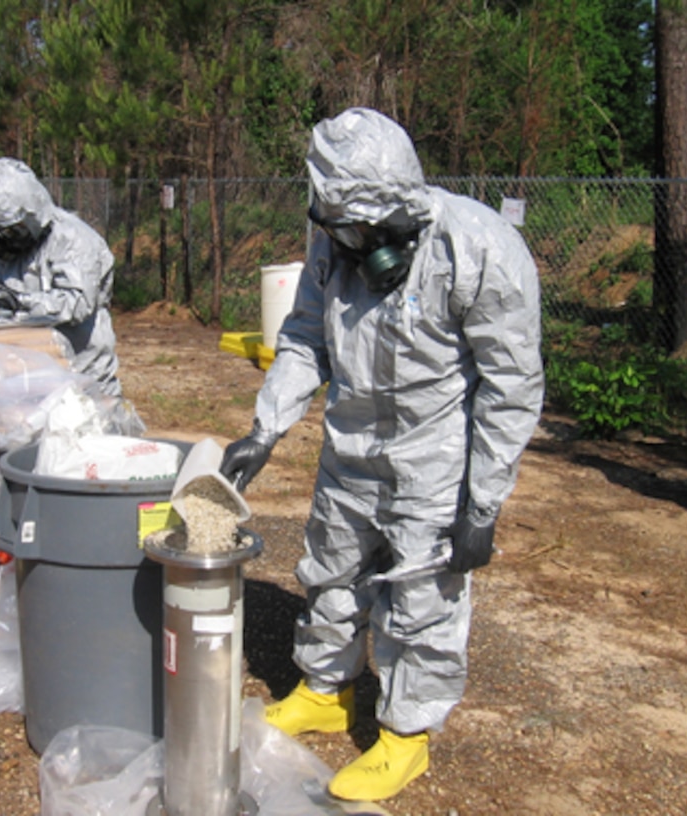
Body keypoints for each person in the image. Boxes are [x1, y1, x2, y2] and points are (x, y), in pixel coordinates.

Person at [220, 108, 544, 802]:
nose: (348, 243)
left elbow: (511, 386)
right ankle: (325, 687)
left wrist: (482, 502)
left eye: (360, 229)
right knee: (331, 568)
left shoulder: (479, 248)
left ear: (396, 211)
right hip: (351, 447)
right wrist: (265, 428)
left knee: (421, 598)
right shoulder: (334, 244)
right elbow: (305, 337)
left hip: (435, 461)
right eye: (339, 227)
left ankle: (405, 734)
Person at [0, 157, 122, 397]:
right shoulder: (1, 241)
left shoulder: (73, 239)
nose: (9, 236)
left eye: (15, 229)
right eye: (3, 229)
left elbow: (77, 303)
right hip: (23, 369)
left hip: (80, 367)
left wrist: (20, 302)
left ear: (33, 214)